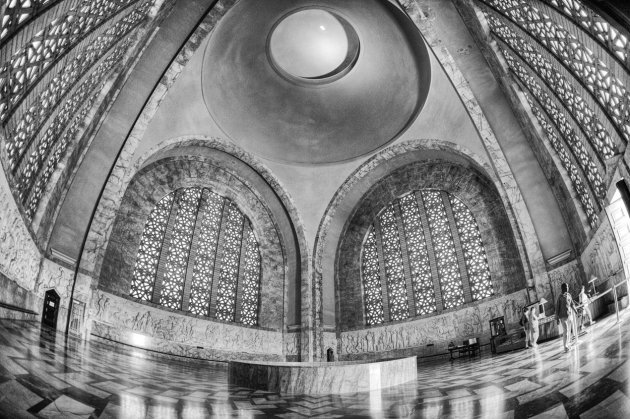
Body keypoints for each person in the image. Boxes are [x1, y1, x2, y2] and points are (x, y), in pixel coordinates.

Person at [557, 283, 578, 352]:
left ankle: (568, 344)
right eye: (566, 287)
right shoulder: (559, 297)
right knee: (565, 331)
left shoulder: (569, 295)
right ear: (562, 288)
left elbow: (572, 304)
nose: (567, 288)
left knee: (568, 331)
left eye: (568, 286)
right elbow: (557, 308)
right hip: (562, 317)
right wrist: (557, 318)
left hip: (569, 315)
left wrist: (575, 311)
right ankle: (565, 347)